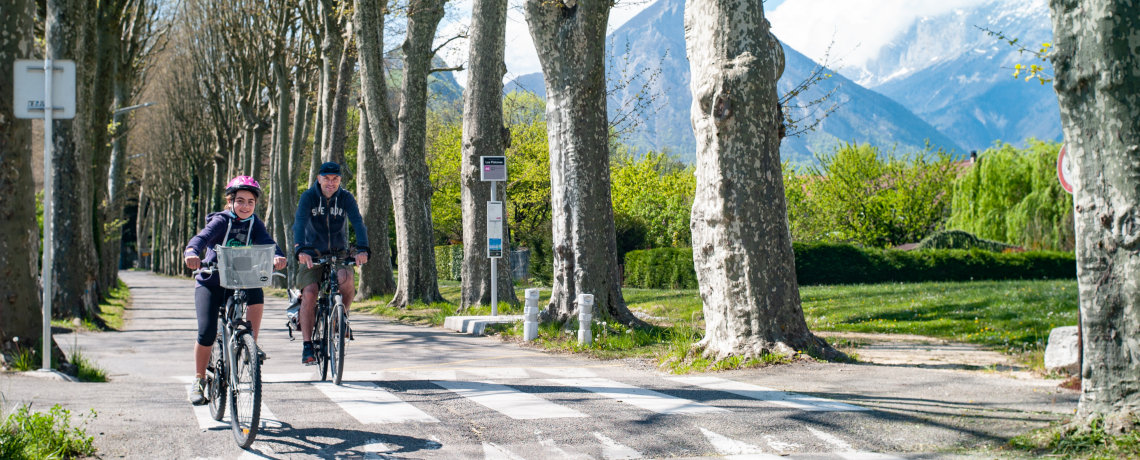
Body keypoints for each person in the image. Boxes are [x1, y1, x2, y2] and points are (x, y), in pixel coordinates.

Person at [184, 176, 286, 405]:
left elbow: (267, 243)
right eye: (240, 201)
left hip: (239, 279)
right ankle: (199, 379)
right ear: (230, 201)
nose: (245, 206)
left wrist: (277, 256)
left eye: (250, 202)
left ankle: (252, 345)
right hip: (211, 280)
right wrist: (192, 252)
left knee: (256, 290)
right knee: (208, 331)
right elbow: (202, 238)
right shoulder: (221, 221)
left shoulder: (255, 223)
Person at [293, 162, 369, 365]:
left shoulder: (346, 198)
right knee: (309, 292)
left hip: (338, 252)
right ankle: (307, 345)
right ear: (319, 179)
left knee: (347, 278)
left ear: (340, 181)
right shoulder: (308, 197)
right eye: (326, 178)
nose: (331, 182)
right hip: (311, 252)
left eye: (335, 179)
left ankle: (340, 317)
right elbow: (299, 222)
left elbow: (358, 222)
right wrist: (300, 249)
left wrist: (363, 249)